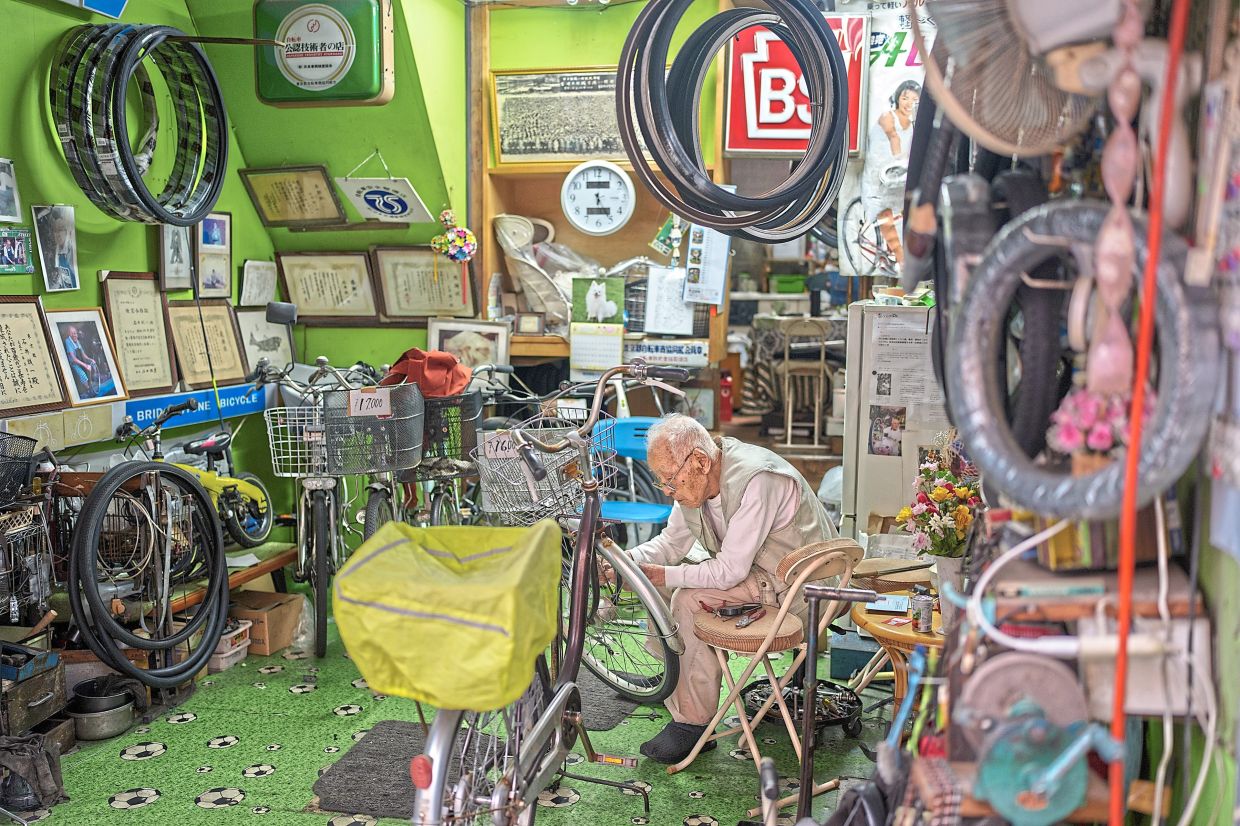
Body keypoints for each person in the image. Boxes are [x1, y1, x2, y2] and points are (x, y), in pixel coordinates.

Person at [605, 414, 838, 763]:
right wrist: (622, 564)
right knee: (667, 581)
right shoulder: (694, 485)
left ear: (699, 461)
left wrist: (660, 575)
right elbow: (669, 545)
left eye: (669, 480)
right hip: (760, 578)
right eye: (662, 482)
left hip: (804, 590)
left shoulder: (757, 480)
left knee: (688, 596)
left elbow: (729, 571)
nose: (667, 491)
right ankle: (676, 675)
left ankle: (693, 724)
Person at [63, 326, 97, 397]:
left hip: (80, 360)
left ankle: (91, 382)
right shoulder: (68, 341)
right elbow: (74, 359)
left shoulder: (77, 341)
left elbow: (84, 355)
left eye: (75, 333)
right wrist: (85, 365)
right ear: (69, 334)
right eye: (72, 333)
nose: (74, 335)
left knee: (92, 364)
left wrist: (90, 360)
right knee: (82, 374)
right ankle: (88, 389)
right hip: (73, 363)